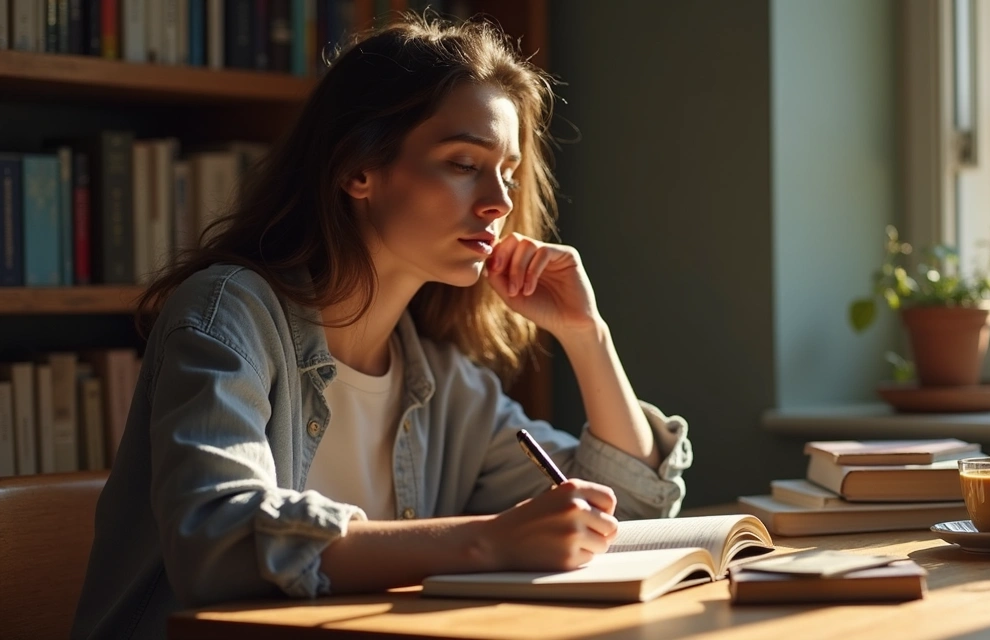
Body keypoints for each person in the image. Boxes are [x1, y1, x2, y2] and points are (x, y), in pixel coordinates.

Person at [71, 13, 691, 639]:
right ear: (358, 170)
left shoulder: (442, 381)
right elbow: (217, 541)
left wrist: (588, 336)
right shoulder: (228, 314)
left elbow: (631, 510)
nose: (500, 202)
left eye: (508, 170)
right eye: (462, 163)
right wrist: (486, 543)